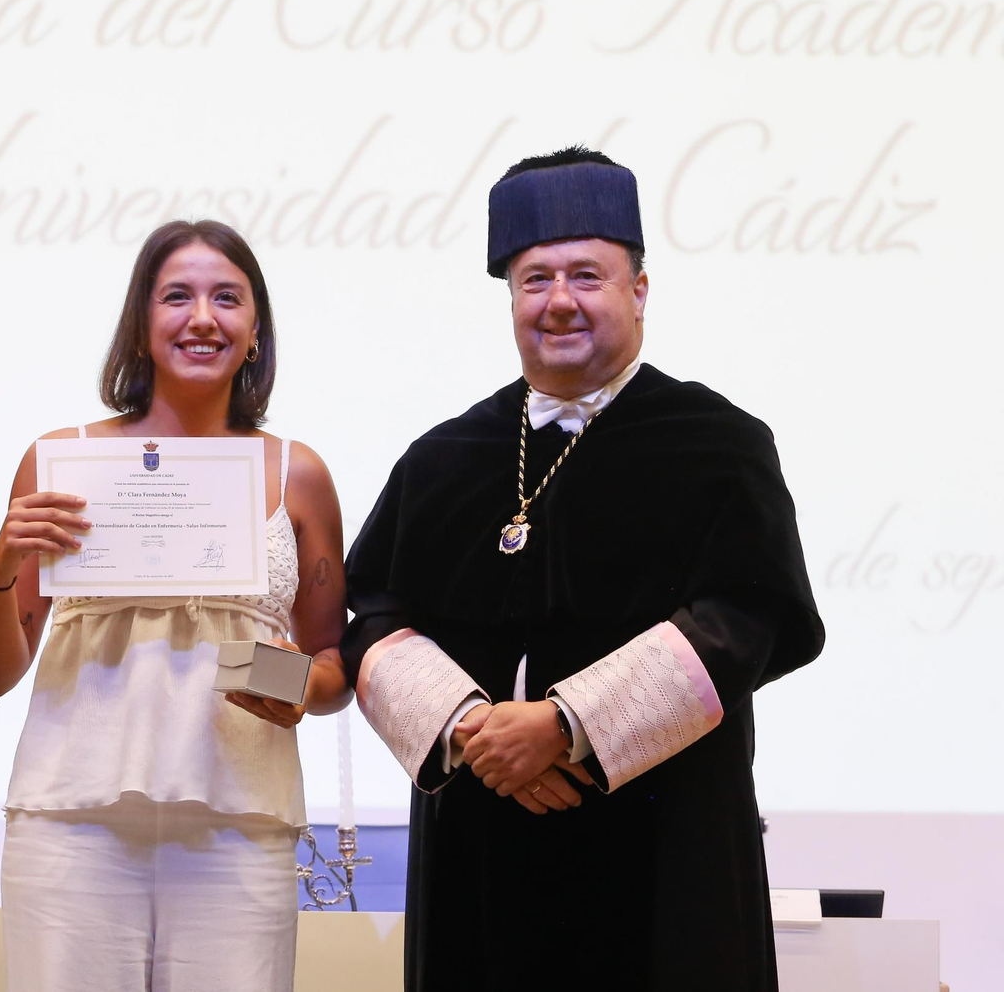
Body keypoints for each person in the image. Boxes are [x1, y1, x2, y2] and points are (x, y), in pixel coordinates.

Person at [343, 147, 825, 991]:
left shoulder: (719, 447)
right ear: (510, 297)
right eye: (535, 279)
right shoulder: (444, 457)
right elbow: (376, 612)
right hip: (482, 849)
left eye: (586, 275)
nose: (559, 300)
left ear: (640, 289)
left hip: (664, 849)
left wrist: (564, 726)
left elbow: (746, 617)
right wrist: (471, 728)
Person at [0, 219, 350, 992]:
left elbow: (335, 662)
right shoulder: (61, 457)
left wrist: (299, 684)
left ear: (256, 331)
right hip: (72, 821)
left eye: (227, 298)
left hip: (240, 824)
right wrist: (0, 567)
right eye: (177, 296)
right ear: (141, 324)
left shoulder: (297, 474)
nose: (202, 317)